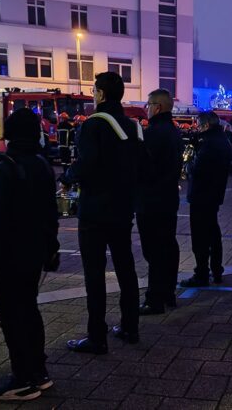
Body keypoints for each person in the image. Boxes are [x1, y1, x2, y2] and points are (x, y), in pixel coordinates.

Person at [0, 109, 59, 401]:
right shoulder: (42, 164)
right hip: (33, 253)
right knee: (29, 310)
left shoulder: (2, 168)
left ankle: (22, 379)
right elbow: (51, 214)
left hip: (8, 257)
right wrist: (51, 249)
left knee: (12, 316)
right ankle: (38, 371)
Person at [62, 72, 142, 353]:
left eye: (95, 90)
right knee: (126, 268)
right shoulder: (133, 127)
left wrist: (68, 176)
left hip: (95, 211)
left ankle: (97, 337)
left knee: (94, 274)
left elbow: (87, 164)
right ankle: (131, 327)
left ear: (101, 94)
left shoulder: (94, 124)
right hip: (122, 210)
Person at [136, 89, 183, 315]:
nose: (146, 108)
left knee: (153, 249)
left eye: (148, 104)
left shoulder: (152, 132)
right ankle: (168, 292)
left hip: (151, 198)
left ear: (158, 107)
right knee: (168, 245)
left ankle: (154, 298)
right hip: (168, 197)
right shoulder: (174, 131)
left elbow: (143, 168)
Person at [181, 111, 232, 287]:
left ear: (206, 125)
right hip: (214, 194)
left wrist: (188, 163)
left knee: (200, 235)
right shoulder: (221, 139)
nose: (197, 129)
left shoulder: (208, 143)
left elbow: (196, 168)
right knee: (212, 232)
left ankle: (201, 272)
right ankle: (216, 269)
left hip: (202, 194)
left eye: (199, 126)